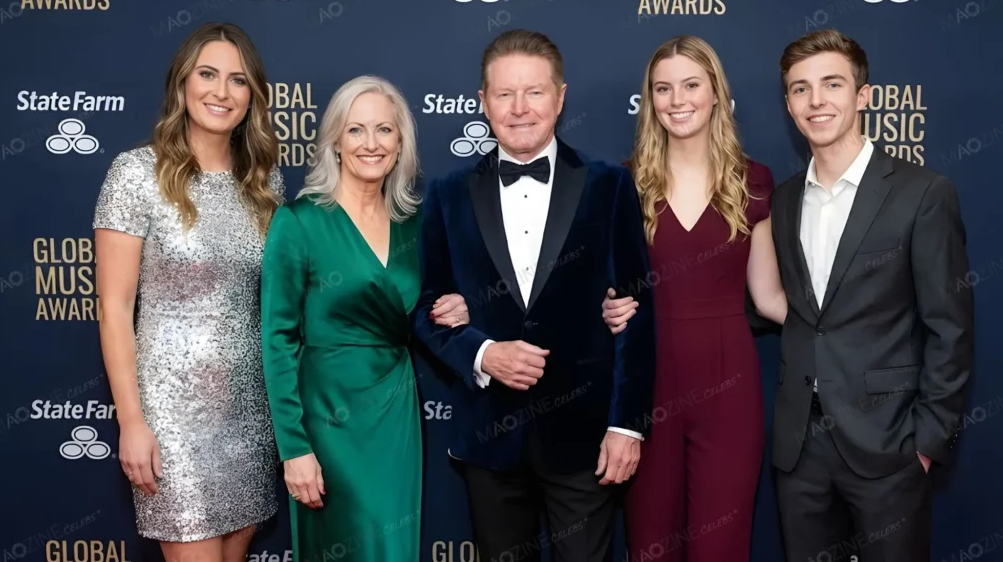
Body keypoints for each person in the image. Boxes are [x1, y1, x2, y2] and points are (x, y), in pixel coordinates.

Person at [411, 29, 656, 562]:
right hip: (490, 439)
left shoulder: (610, 185)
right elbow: (425, 310)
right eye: (505, 94)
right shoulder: (448, 194)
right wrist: (483, 352)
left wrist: (626, 425)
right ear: (483, 102)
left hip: (586, 440)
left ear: (560, 98)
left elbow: (637, 313)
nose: (520, 108)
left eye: (535, 92)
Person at [770, 29, 974, 562]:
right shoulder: (785, 199)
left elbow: (950, 327)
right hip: (799, 449)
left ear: (862, 95)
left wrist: (926, 443)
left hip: (889, 445)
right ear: (788, 104)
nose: (816, 100)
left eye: (832, 84)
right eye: (800, 89)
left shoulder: (923, 193)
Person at [259, 75, 470, 562]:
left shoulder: (414, 225)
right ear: (335, 141)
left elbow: (424, 310)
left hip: (394, 411)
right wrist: (294, 448)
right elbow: (277, 340)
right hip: (327, 416)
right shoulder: (300, 221)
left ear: (400, 144)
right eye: (356, 130)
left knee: (392, 548)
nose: (370, 143)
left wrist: (457, 308)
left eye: (384, 130)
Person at [94, 22, 282, 560]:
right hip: (170, 417)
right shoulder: (136, 174)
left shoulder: (265, 184)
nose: (222, 92)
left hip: (250, 414)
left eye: (238, 80)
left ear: (253, 96)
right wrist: (132, 421)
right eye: (207, 75)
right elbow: (114, 308)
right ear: (182, 83)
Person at [601, 35, 787, 561]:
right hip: (647, 386)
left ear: (716, 94)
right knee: (650, 545)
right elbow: (605, 290)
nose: (677, 100)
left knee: (720, 546)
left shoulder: (753, 181)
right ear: (650, 100)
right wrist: (606, 308)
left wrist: (848, 327)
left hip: (730, 386)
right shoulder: (623, 183)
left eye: (690, 85)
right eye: (663, 88)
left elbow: (769, 297)